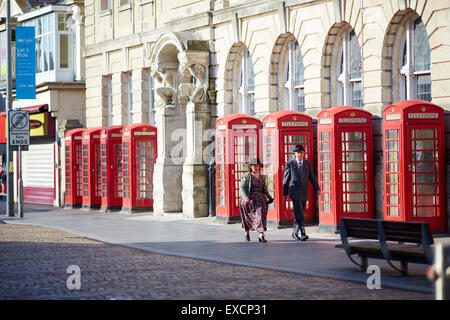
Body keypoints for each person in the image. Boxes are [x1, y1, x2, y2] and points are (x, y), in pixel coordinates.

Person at [282, 145, 320, 241]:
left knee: (299, 213)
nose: (299, 154)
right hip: (294, 191)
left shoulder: (308, 164)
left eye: (301, 152)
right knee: (299, 213)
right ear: (295, 154)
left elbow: (312, 177)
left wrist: (317, 188)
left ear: (304, 153)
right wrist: (284, 193)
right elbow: (285, 180)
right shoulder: (290, 163)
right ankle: (303, 233)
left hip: (304, 192)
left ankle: (294, 233)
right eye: (298, 153)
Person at [239, 158, 274, 242]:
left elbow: (264, 189)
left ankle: (261, 235)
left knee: (261, 216)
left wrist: (269, 197)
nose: (255, 167)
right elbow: (242, 188)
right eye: (253, 165)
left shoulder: (262, 176)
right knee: (247, 218)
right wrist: (245, 197)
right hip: (250, 199)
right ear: (250, 166)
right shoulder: (247, 176)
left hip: (261, 200)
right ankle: (246, 233)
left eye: (257, 165)